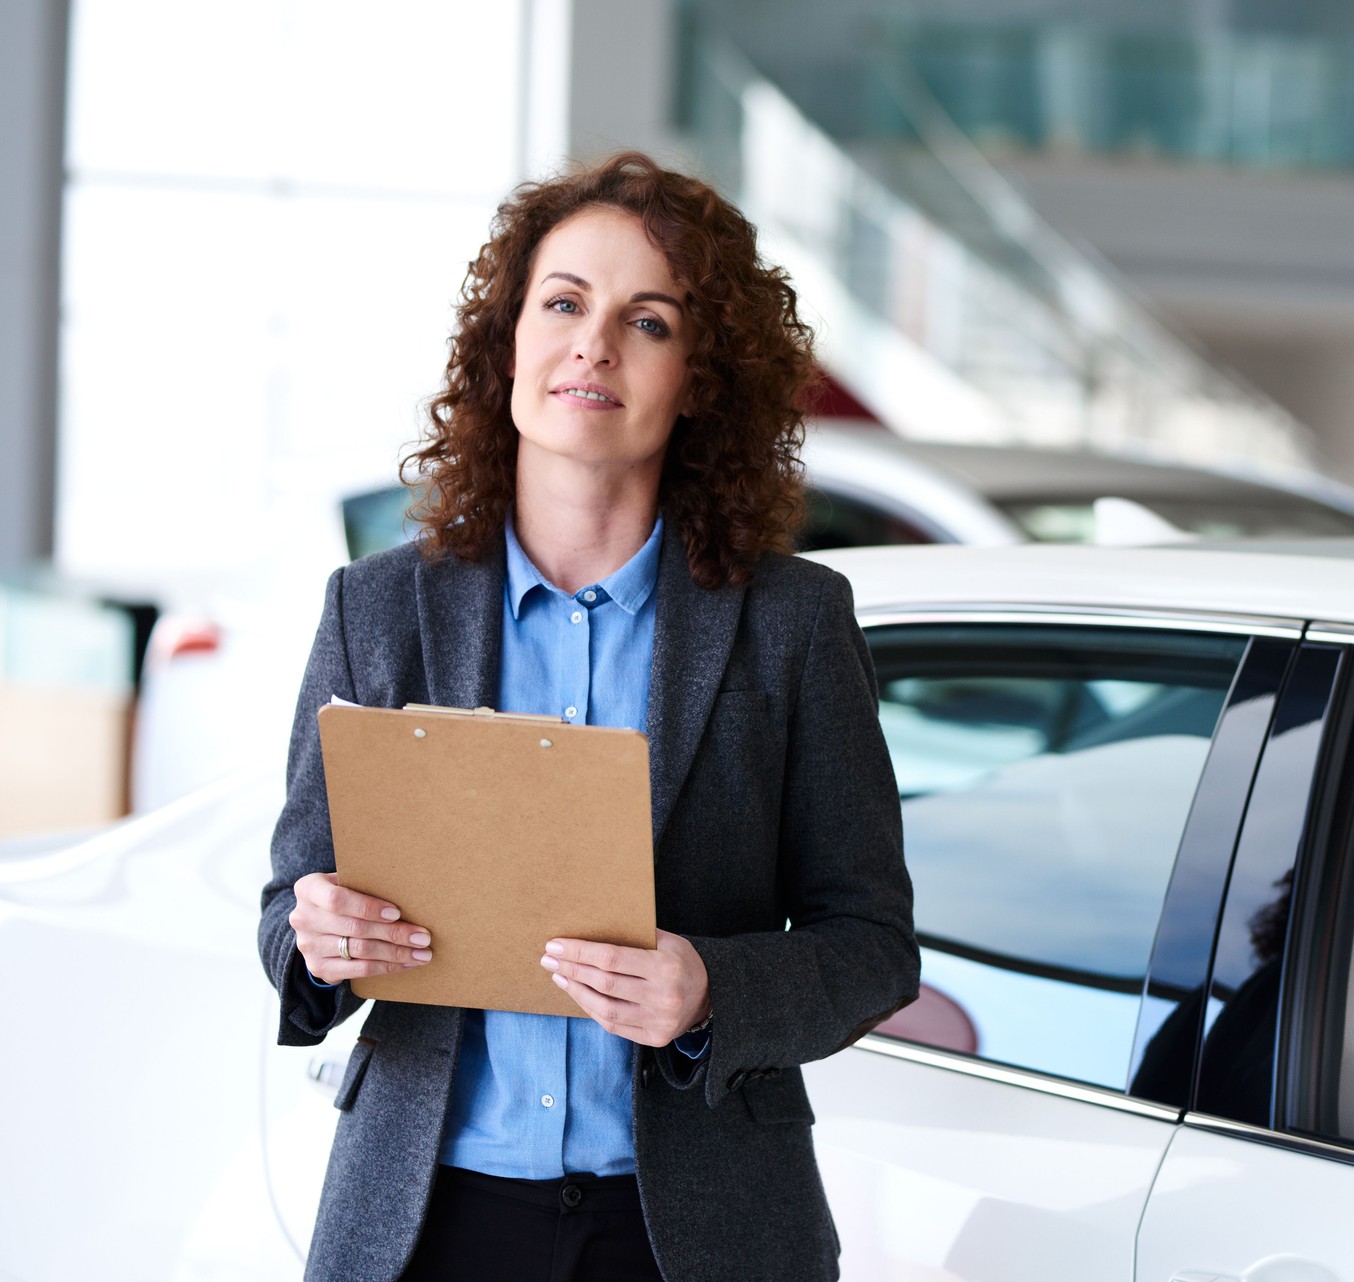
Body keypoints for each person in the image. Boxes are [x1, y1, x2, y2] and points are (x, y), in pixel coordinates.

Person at [257, 151, 919, 1282]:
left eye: (648, 321)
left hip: (692, 1230)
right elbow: (288, 915)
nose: (594, 343)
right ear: (508, 340)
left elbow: (872, 947)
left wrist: (713, 987)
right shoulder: (378, 607)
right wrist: (319, 943)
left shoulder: (794, 622)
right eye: (563, 303)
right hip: (426, 1221)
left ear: (699, 376)